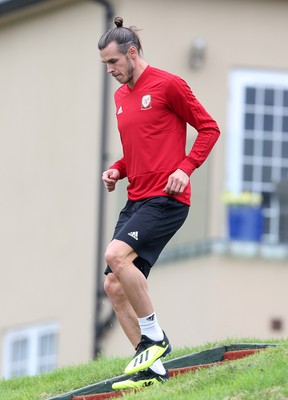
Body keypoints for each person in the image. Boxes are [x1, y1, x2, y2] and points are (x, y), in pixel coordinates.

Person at [98, 16, 220, 390]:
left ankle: (155, 339)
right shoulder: (121, 98)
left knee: (115, 256)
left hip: (167, 199)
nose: (110, 70)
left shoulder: (168, 85)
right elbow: (140, 147)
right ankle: (148, 368)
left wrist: (186, 167)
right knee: (113, 287)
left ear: (132, 53)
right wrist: (118, 168)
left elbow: (209, 128)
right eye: (105, 65)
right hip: (136, 198)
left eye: (114, 62)